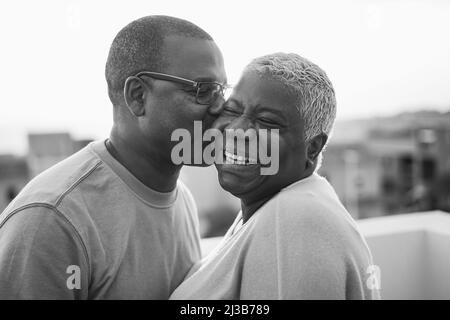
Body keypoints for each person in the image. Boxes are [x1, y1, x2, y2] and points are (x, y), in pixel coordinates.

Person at [0, 15, 227, 299]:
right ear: (137, 96)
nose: (222, 108)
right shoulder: (52, 219)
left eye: (222, 91)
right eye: (203, 91)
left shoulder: (183, 200)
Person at [170, 53, 380, 299]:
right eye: (231, 110)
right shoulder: (272, 209)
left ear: (311, 148)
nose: (237, 130)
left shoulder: (301, 218)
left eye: (267, 121)